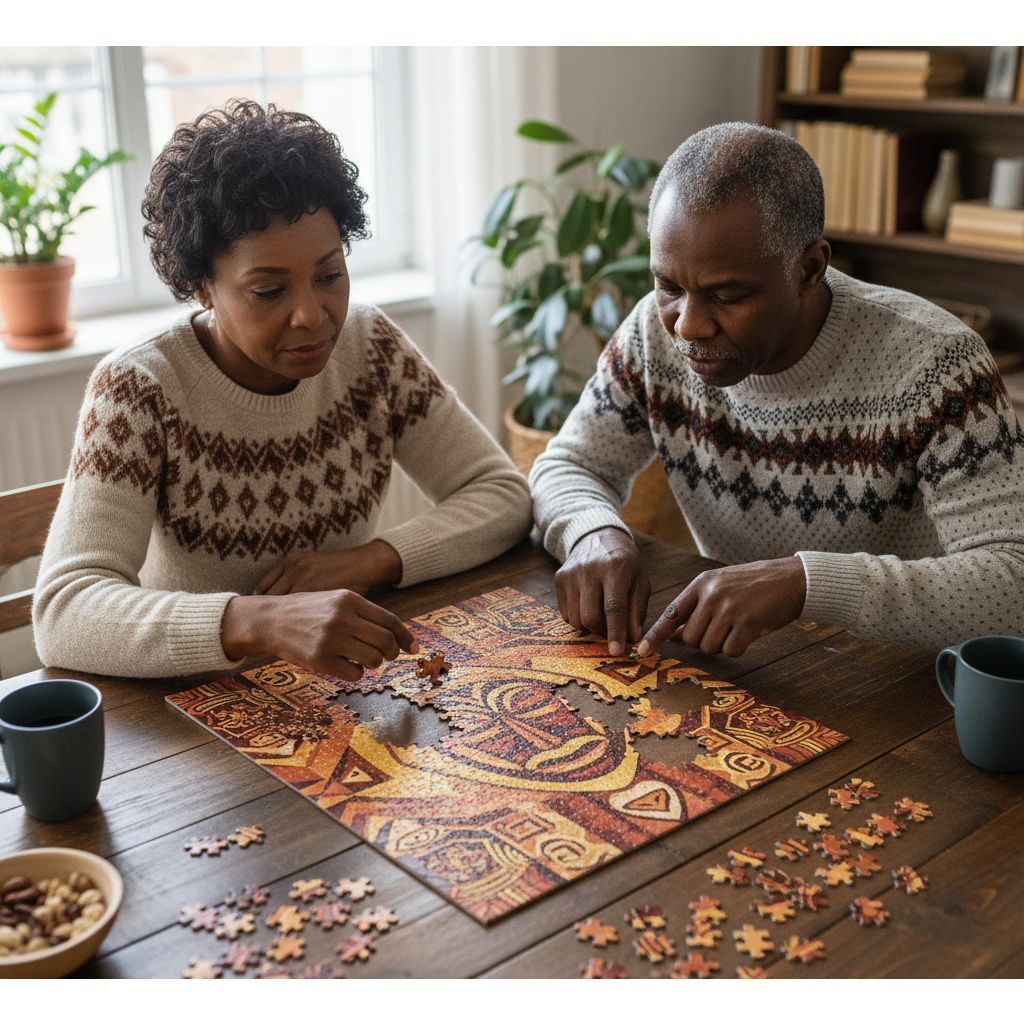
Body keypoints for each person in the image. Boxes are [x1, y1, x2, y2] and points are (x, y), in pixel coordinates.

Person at [34, 100, 532, 680]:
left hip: (342, 687)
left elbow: (502, 495)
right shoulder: (140, 388)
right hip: (195, 701)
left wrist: (371, 560)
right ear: (202, 287)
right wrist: (260, 621)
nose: (312, 315)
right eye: (269, 291)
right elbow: (64, 610)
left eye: (330, 275)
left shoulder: (371, 347)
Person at [530, 121, 1024, 659]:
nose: (688, 326)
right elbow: (568, 465)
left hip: (899, 673)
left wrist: (806, 584)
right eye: (668, 286)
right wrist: (592, 532)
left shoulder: (938, 364)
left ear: (809, 269)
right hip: (749, 663)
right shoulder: (653, 332)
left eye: (727, 296)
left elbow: (1013, 583)